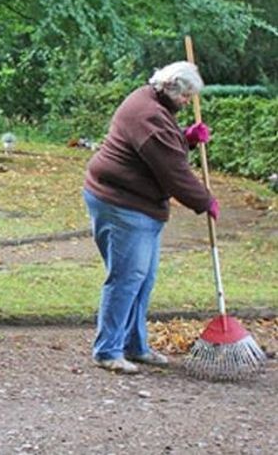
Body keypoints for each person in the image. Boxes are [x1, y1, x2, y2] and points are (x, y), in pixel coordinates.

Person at [83, 61, 217, 374]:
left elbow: (161, 146)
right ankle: (107, 351)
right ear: (170, 87)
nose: (187, 102)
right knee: (127, 278)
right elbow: (173, 172)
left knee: (143, 279)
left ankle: (135, 345)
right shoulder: (149, 114)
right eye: (185, 96)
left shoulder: (151, 101)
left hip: (137, 203)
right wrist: (205, 201)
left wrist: (187, 138)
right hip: (122, 204)